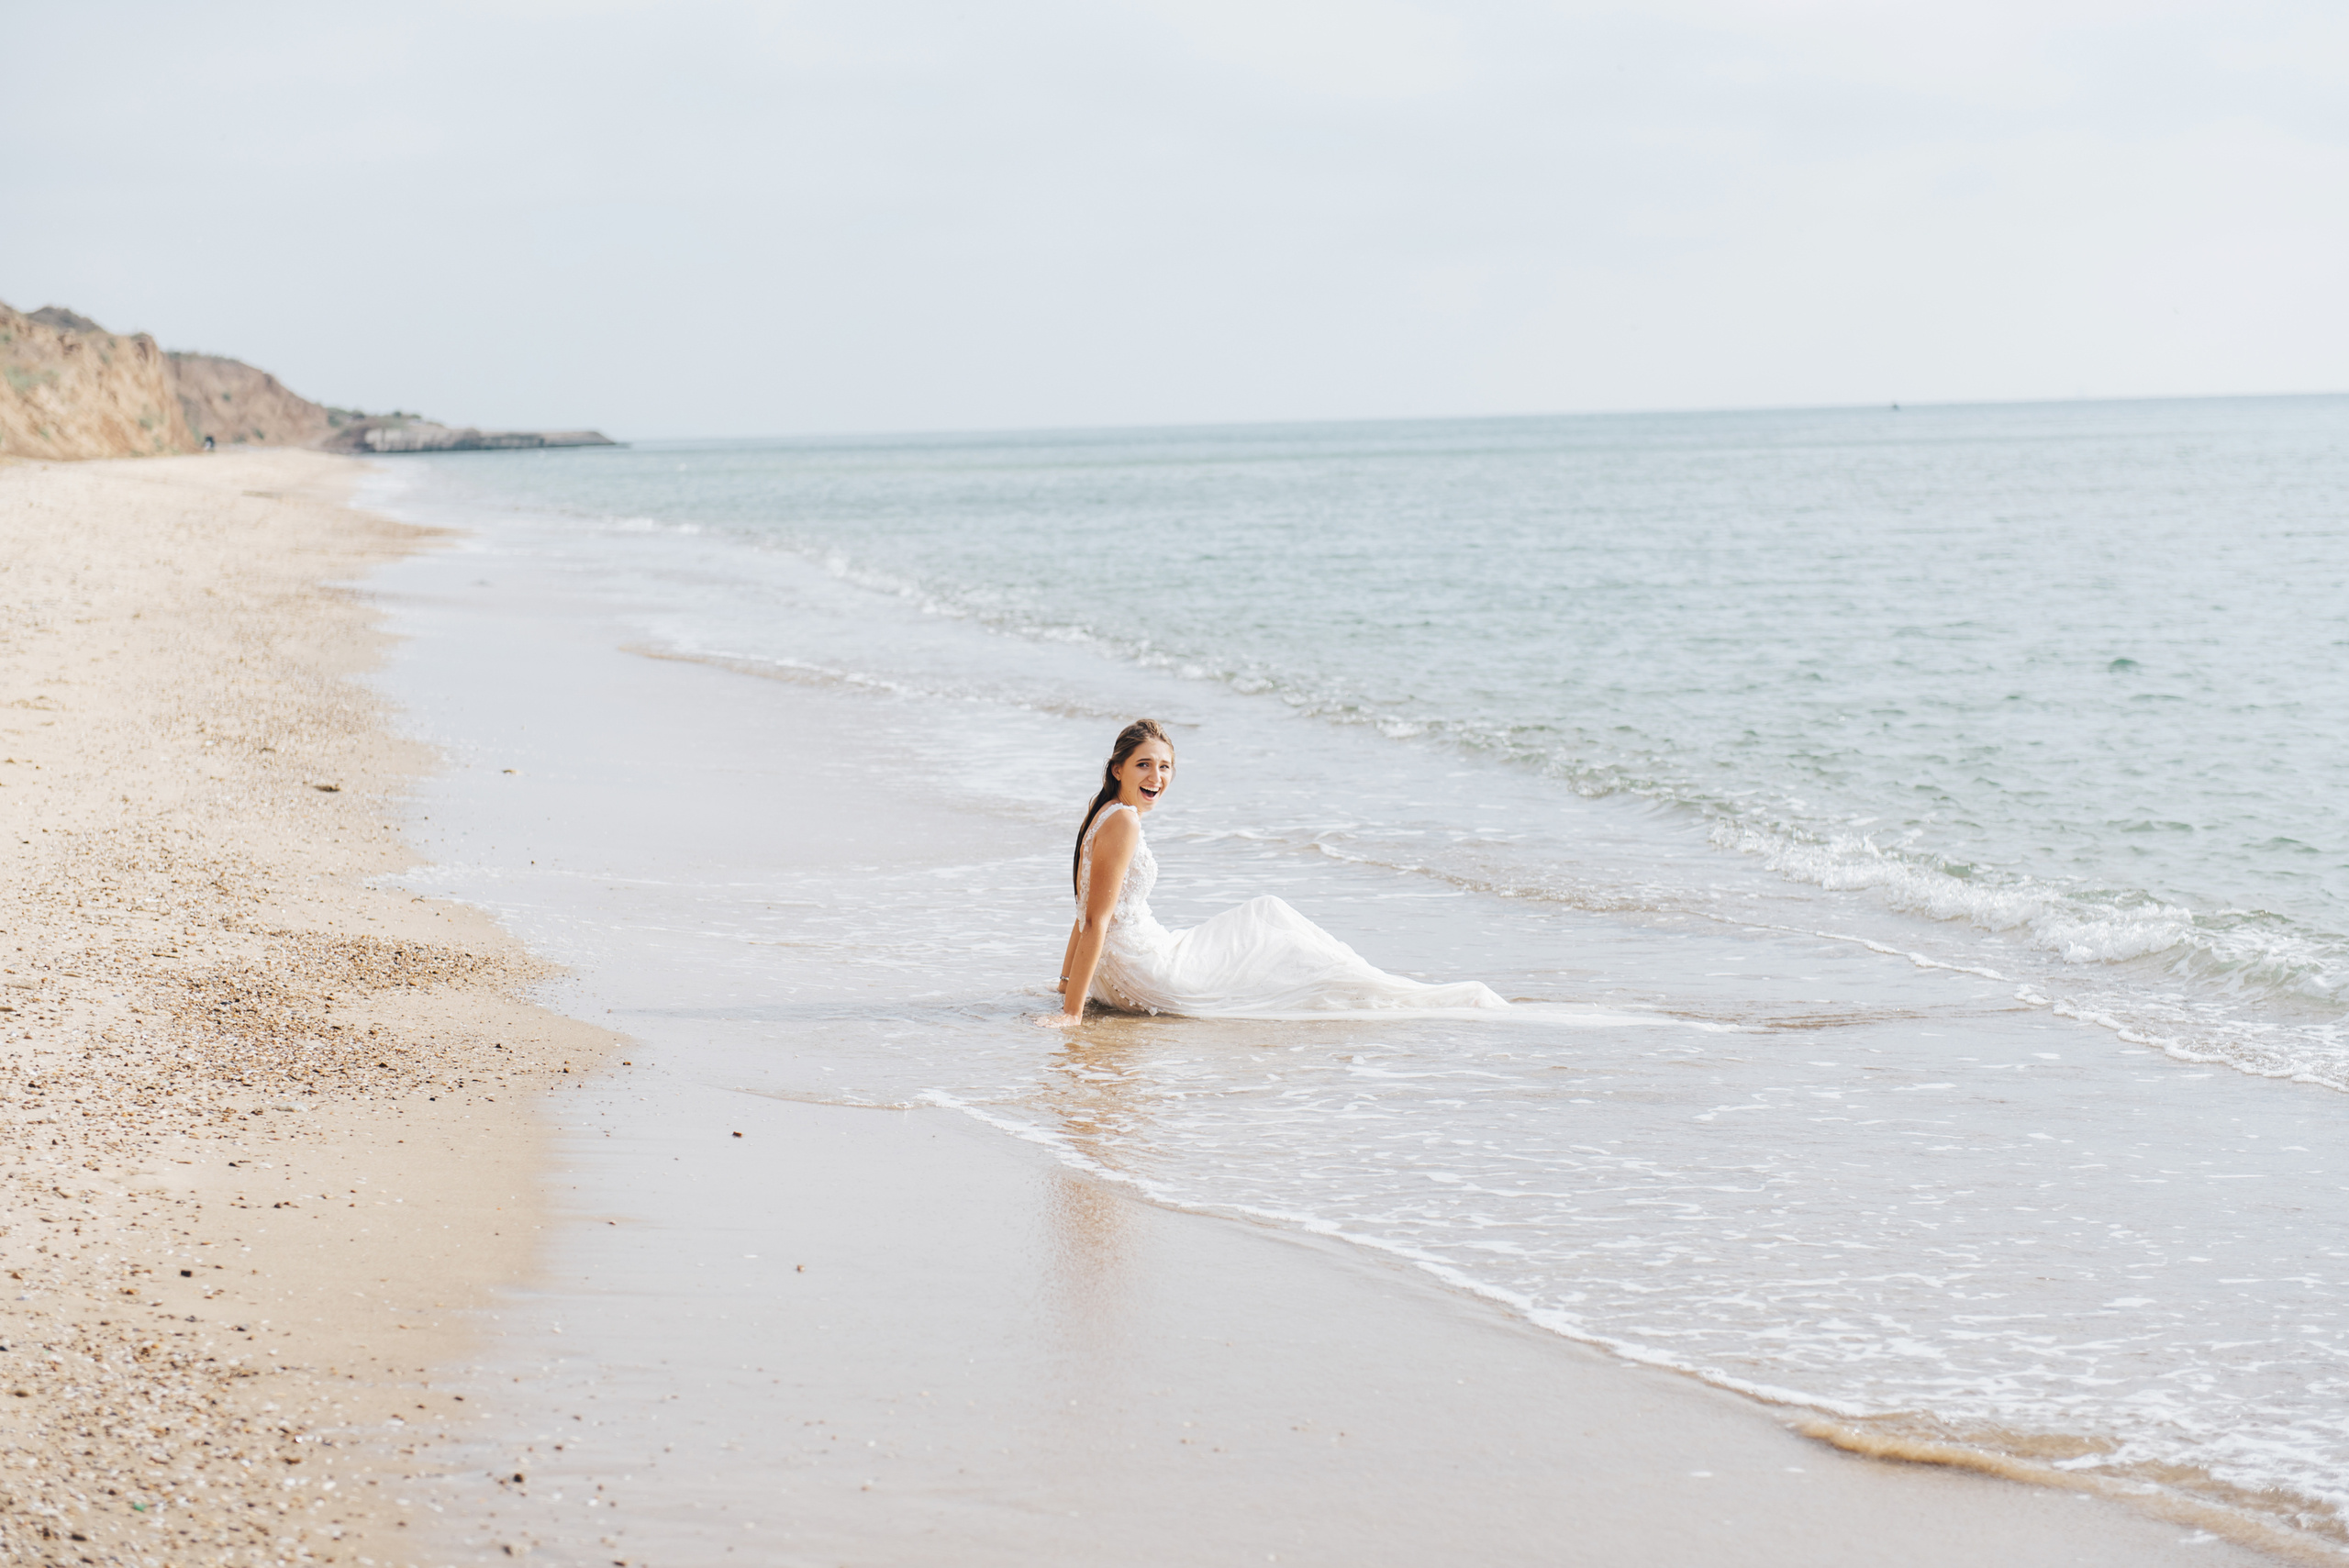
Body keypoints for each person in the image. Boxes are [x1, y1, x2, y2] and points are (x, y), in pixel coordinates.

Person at [1039, 719, 1508, 1027]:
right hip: (1146, 971)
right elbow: (1095, 920)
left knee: (1268, 926)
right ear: (1118, 768)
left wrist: (1066, 984)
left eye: (1165, 767)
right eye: (1144, 765)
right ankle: (1402, 995)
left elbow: (1083, 912)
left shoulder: (1103, 812)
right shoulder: (1122, 823)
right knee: (1273, 928)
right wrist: (1072, 1013)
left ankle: (1372, 985)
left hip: (1122, 966)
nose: (1156, 777)